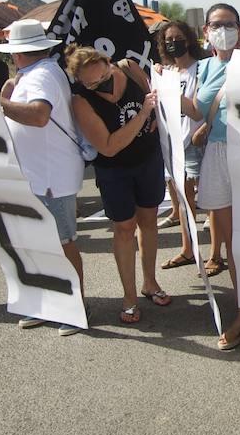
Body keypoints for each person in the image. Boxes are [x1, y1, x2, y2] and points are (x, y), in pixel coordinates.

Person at [0, 20, 87, 334]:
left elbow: (38, 115)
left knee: (62, 243)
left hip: (49, 174)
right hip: (43, 172)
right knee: (44, 242)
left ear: (18, 53)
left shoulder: (42, 75)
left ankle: (73, 307)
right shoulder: (42, 72)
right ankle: (53, 302)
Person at [184, 3, 240, 355]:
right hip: (218, 156)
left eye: (230, 24)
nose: (223, 30)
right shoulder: (203, 67)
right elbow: (195, 108)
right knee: (235, 245)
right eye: (216, 25)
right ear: (205, 31)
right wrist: (163, 87)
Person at [70, 45, 169, 325]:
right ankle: (129, 297)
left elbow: (155, 100)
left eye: (103, 77)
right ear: (79, 81)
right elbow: (109, 146)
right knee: (124, 227)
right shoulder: (80, 100)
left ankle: (150, 282)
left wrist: (155, 117)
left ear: (109, 63)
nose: (101, 85)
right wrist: (141, 117)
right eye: (91, 83)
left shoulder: (128, 68)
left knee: (149, 219)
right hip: (115, 169)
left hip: (148, 159)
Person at [153, 20, 208, 267]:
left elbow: (198, 110)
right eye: (168, 41)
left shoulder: (202, 68)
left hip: (197, 140)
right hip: (174, 143)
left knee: (209, 201)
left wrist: (171, 90)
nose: (173, 43)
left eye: (178, 38)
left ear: (188, 39)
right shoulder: (166, 72)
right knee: (183, 200)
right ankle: (188, 248)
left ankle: (215, 253)